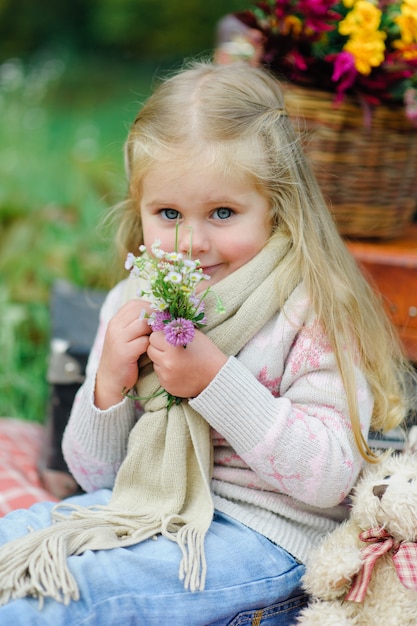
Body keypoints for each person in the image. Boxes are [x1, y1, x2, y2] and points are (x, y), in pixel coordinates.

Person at [0, 60, 413, 626]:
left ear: (277, 207)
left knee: (56, 598)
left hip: (264, 538)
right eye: (168, 213)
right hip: (147, 507)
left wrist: (215, 382)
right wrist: (109, 388)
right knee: (14, 543)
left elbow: (327, 478)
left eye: (223, 212)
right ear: (139, 209)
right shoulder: (137, 294)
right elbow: (95, 478)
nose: (192, 241)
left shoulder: (310, 309)